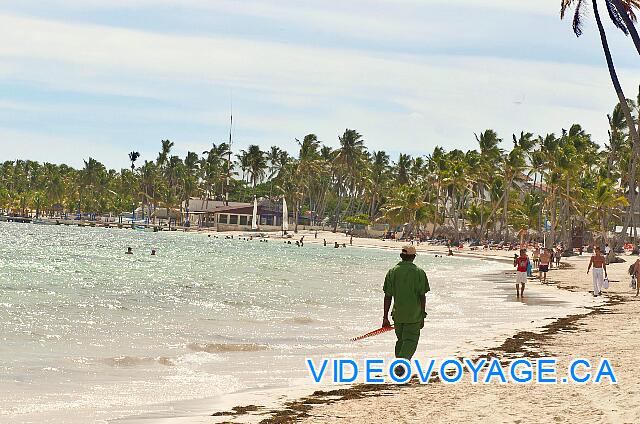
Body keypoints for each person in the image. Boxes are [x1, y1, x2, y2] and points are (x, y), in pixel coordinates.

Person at [382, 245, 430, 376]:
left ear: (401, 256)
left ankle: (400, 369)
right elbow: (422, 296)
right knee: (410, 341)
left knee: (401, 341)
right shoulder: (419, 272)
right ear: (413, 257)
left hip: (398, 315)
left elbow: (387, 296)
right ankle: (400, 366)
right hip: (413, 315)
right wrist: (422, 314)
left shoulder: (392, 272)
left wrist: (385, 317)